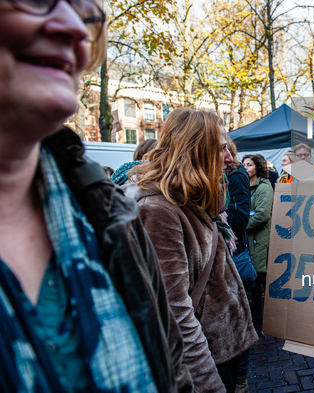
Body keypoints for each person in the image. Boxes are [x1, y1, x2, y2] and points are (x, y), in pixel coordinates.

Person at [0, 1, 192, 392]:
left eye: (85, 12)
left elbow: (172, 370)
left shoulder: (111, 214)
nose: (74, 28)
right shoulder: (139, 207)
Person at [127, 108, 258, 392]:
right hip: (204, 363)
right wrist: (208, 383)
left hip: (222, 350)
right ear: (196, 151)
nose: (230, 158)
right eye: (221, 149)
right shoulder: (159, 211)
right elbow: (175, 313)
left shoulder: (194, 201)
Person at [225, 138, 255, 393]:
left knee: (240, 327)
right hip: (218, 267)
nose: (225, 156)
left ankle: (240, 382)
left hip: (235, 260)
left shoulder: (235, 175)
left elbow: (239, 218)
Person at [242, 154, 274, 333]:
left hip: (258, 240)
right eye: (244, 164)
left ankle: (261, 319)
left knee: (259, 280)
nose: (245, 168)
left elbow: (262, 215)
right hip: (248, 241)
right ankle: (256, 318)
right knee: (253, 280)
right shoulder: (244, 186)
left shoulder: (264, 187)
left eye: (249, 165)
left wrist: (240, 225)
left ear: (258, 167)